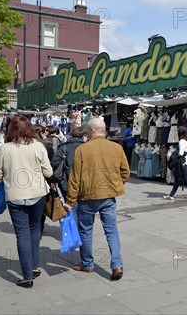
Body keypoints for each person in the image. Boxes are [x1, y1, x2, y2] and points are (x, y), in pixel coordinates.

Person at [64, 117, 130, 281]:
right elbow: (125, 172)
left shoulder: (82, 150)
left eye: (87, 129)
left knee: (86, 230)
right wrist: (114, 185)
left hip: (87, 197)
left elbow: (74, 179)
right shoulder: (116, 148)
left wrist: (70, 201)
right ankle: (117, 265)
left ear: (92, 130)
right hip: (108, 196)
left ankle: (87, 263)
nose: (85, 132)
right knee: (111, 230)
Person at [0, 115, 53, 288]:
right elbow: (48, 172)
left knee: (22, 234)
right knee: (35, 230)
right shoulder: (38, 146)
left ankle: (27, 276)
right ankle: (34, 266)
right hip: (38, 193)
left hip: (16, 196)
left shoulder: (5, 148)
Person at [50, 126, 87, 199]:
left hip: (66, 181)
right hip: (84, 183)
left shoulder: (64, 147)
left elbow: (54, 162)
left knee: (69, 205)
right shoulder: (87, 147)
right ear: (83, 136)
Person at [163, 126, 187, 200]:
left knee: (185, 178)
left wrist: (174, 153)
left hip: (182, 162)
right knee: (178, 179)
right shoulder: (185, 141)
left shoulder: (182, 141)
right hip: (183, 162)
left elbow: (181, 153)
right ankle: (172, 194)